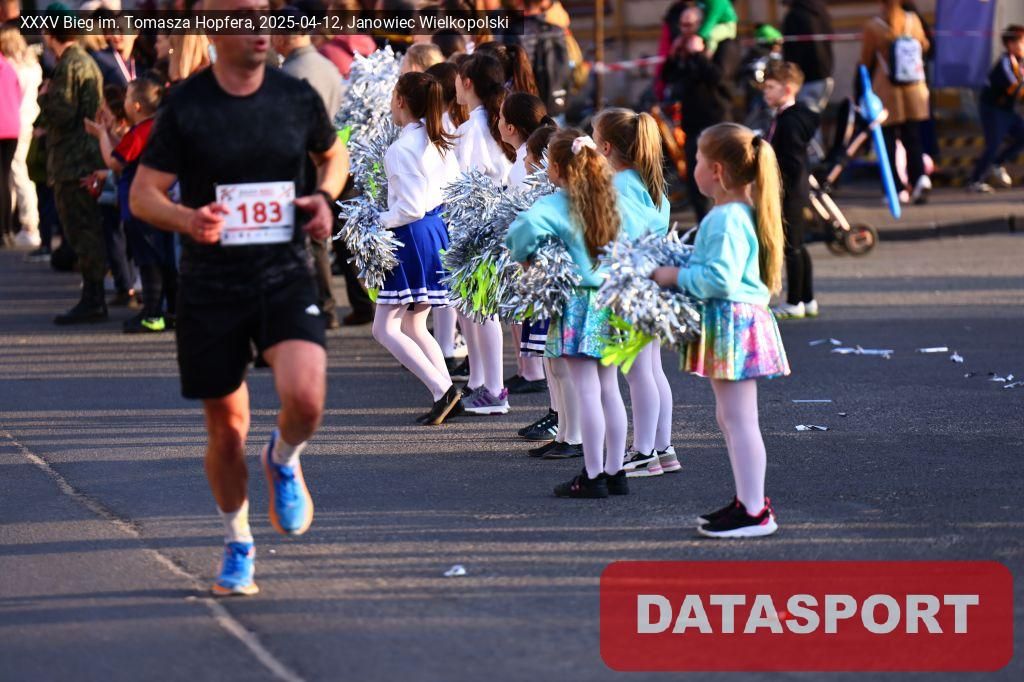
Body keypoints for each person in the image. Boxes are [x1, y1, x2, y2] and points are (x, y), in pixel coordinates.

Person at [130, 0, 348, 596]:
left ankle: (283, 458)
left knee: (307, 398)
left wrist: (324, 197)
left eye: (265, 14)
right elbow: (144, 195)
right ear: (215, 27)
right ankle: (238, 543)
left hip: (283, 272)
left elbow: (333, 154)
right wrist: (187, 218)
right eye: (245, 16)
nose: (261, 27)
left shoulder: (294, 95)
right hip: (212, 284)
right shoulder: (187, 107)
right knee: (227, 429)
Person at [651, 122, 788, 538]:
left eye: (696, 159)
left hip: (734, 322)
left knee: (739, 420)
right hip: (735, 321)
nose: (691, 166)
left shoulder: (727, 218)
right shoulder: (738, 213)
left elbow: (720, 280)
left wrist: (673, 275)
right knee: (731, 418)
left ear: (717, 171)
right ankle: (747, 501)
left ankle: (754, 511)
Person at [507, 129, 652, 498]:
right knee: (610, 388)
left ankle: (592, 474)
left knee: (586, 389)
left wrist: (527, 259)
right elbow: (649, 227)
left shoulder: (558, 203)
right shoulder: (614, 197)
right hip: (615, 299)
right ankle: (615, 471)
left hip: (578, 303)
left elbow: (520, 232)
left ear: (557, 168)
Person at [592, 107, 681, 479]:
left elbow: (619, 241)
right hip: (651, 286)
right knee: (652, 369)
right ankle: (662, 446)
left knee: (638, 372)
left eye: (594, 140)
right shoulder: (649, 183)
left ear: (606, 147)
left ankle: (644, 451)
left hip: (631, 288)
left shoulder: (618, 188)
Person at [373, 72, 464, 426]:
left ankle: (443, 391)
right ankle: (447, 394)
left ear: (400, 101)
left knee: (384, 328)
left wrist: (375, 220)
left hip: (412, 234)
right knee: (413, 323)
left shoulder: (401, 149)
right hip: (435, 230)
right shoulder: (439, 139)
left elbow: (410, 207)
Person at [273, 13, 346, 328]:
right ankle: (340, 305)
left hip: (307, 160)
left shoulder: (291, 74)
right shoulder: (327, 65)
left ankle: (322, 307)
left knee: (311, 239)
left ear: (282, 37)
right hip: (333, 156)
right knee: (330, 236)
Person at [38, 8, 109, 324]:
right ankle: (92, 295)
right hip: (81, 154)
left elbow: (63, 112)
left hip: (75, 158)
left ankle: (93, 298)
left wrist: (44, 97)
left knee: (82, 230)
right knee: (83, 229)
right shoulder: (82, 60)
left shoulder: (69, 64)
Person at [88, 77, 175, 333]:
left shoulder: (140, 131)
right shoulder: (155, 127)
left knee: (148, 261)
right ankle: (165, 311)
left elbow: (115, 162)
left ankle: (152, 313)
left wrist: (101, 135)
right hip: (159, 204)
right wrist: (108, 134)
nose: (123, 102)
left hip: (140, 206)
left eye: (127, 97)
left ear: (136, 105)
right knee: (161, 258)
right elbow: (124, 153)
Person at [452, 52, 514, 414]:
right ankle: (481, 382)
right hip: (488, 223)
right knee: (474, 308)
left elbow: (466, 181)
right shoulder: (488, 121)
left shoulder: (475, 127)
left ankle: (494, 389)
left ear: (468, 83)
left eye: (458, 80)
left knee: (483, 308)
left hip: (479, 226)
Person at [498, 92, 552, 398]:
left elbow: (520, 213)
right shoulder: (526, 159)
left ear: (510, 127)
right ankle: (528, 370)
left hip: (529, 253)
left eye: (500, 117)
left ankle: (532, 371)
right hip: (531, 251)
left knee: (527, 313)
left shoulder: (524, 165)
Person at [661, 3, 734, 223]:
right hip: (692, 121)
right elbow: (668, 77)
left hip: (716, 118)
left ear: (701, 25)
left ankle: (725, 221)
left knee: (720, 176)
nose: (684, 31)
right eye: (682, 26)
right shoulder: (683, 45)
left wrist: (699, 53)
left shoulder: (723, 44)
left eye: (689, 25)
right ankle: (704, 222)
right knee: (696, 178)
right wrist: (673, 56)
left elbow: (718, 77)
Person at [860, 0, 931, 205]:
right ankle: (919, 178)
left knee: (888, 143)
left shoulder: (873, 26)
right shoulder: (913, 20)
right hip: (914, 88)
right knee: (913, 137)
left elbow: (865, 60)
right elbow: (925, 46)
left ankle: (896, 188)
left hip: (886, 89)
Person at [762, 61, 819, 320]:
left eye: (770, 87)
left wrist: (776, 181)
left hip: (789, 191)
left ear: (786, 89)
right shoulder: (786, 118)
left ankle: (795, 301)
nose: (766, 92)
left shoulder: (789, 122)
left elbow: (791, 162)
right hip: (794, 189)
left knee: (791, 247)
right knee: (798, 244)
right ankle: (807, 299)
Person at [968, 25, 1024, 194]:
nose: (1022, 45)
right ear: (1010, 44)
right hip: (993, 108)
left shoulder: (1021, 62)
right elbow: (1016, 88)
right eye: (1020, 42)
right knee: (993, 144)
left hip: (1008, 109)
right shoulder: (1006, 63)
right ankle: (975, 181)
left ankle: (997, 163)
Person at [0, 24, 41, 249]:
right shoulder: (32, 66)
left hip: (13, 121)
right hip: (24, 121)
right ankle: (14, 224)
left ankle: (27, 224)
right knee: (12, 174)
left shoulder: (9, 66)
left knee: (16, 173)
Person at [504, 0, 570, 118]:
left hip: (527, 100)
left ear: (521, 4)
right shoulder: (557, 30)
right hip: (555, 97)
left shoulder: (514, 31)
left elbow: (509, 68)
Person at [781, 0, 835, 113]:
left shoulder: (795, 15)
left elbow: (792, 52)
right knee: (812, 116)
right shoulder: (820, 11)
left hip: (807, 79)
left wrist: (790, 77)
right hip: (825, 76)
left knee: (805, 119)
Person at [0, 47, 20, 249]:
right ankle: (7, 230)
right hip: (12, 128)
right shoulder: (9, 67)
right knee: (5, 178)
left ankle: (2, 231)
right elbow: (18, 95)